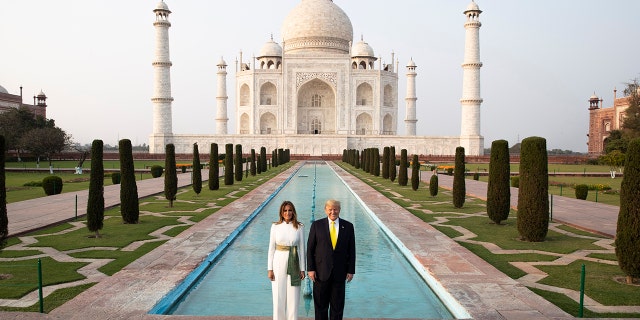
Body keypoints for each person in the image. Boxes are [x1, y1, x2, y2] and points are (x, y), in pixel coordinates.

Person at [307, 199, 356, 320]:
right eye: (330, 209)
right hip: (320, 273)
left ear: (339, 210)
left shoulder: (348, 226)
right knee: (320, 307)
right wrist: (311, 269)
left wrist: (351, 270)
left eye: (335, 209)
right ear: (325, 210)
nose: (333, 212)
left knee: (337, 308)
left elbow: (352, 250)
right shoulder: (317, 225)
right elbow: (310, 249)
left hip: (339, 273)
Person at [268, 201, 306, 320]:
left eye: (290, 210)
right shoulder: (275, 226)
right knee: (278, 294)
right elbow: (271, 248)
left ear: (293, 211)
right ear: (281, 212)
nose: (287, 213)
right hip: (279, 260)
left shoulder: (299, 227)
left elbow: (302, 249)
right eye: (285, 210)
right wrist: (270, 268)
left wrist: (303, 269)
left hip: (294, 260)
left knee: (293, 295)